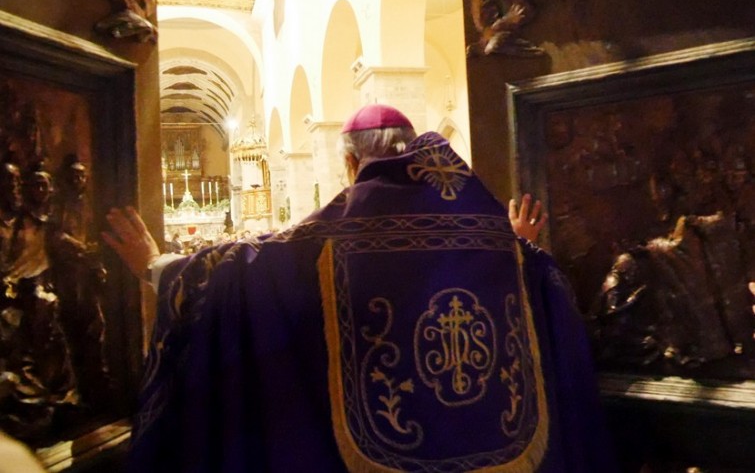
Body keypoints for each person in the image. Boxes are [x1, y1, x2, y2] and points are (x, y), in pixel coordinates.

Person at [104, 104, 616, 472]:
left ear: (351, 164)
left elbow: (239, 276)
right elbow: (540, 288)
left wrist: (157, 265)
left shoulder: (323, 241)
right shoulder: (486, 234)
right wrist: (519, 247)